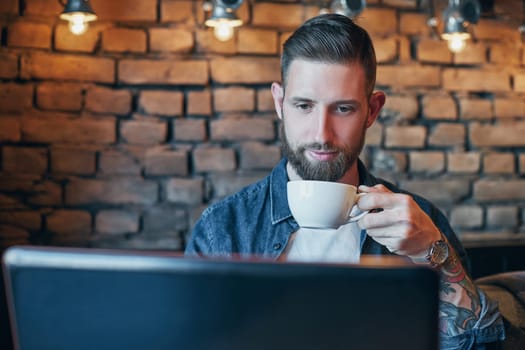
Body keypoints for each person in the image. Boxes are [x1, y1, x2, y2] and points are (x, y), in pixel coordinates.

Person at [185, 13, 505, 349]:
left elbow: (479, 346)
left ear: (372, 110)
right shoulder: (223, 228)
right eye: (304, 105)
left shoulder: (420, 223)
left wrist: (434, 253)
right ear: (280, 103)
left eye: (343, 109)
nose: (321, 134)